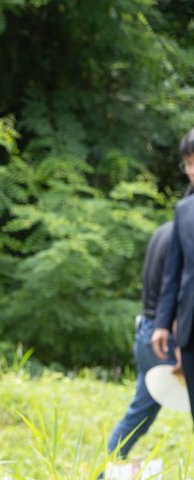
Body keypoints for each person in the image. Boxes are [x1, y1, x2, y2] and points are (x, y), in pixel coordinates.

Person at [105, 221, 176, 457]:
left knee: (139, 415)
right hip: (171, 338)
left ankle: (102, 472)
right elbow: (178, 292)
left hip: (148, 333)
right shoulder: (183, 236)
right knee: (140, 414)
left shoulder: (163, 231)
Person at [149, 128, 194, 417]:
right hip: (191, 331)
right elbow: (173, 275)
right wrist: (163, 324)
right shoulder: (184, 211)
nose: (192, 170)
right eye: (188, 163)